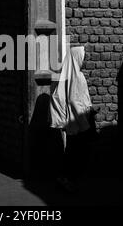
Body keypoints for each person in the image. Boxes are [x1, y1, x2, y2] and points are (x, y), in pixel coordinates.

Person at [49, 46, 94, 192]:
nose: (85, 60)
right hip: (80, 122)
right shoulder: (78, 77)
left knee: (71, 150)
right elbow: (75, 100)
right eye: (83, 57)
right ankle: (68, 179)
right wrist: (85, 124)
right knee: (79, 153)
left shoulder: (67, 75)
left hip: (72, 123)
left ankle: (64, 178)